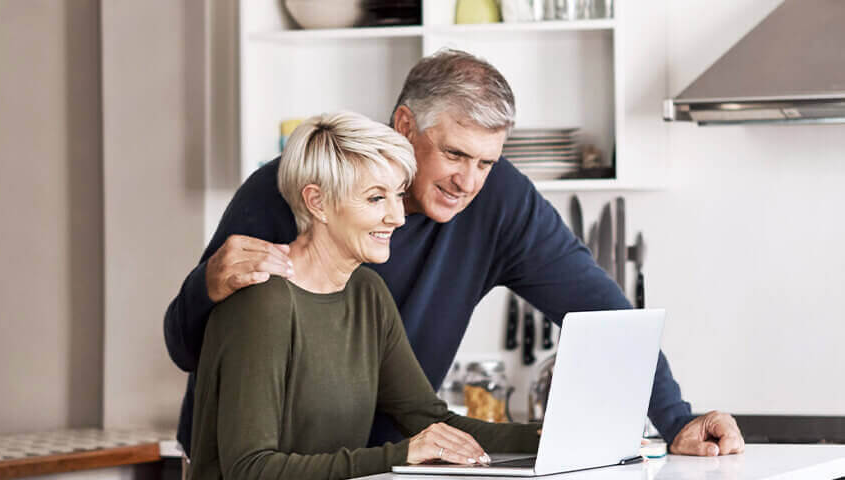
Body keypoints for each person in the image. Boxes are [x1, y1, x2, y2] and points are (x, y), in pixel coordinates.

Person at [165, 49, 745, 460]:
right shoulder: (292, 191)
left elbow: (605, 314)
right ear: (404, 126)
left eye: (486, 162)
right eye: (454, 154)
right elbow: (188, 349)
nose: (469, 181)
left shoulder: (498, 204)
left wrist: (675, 421)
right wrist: (205, 286)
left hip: (392, 461)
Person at [187, 111, 541, 480]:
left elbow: (430, 420)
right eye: (375, 198)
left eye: (398, 195)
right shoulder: (263, 300)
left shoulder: (366, 293)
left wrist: (544, 437)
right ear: (317, 202)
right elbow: (250, 469)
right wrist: (402, 456)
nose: (397, 217)